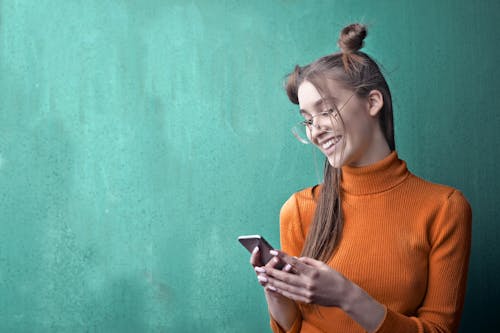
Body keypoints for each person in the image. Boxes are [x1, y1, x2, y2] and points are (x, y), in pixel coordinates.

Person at [249, 23, 472, 333]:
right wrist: (276, 294)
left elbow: (439, 329)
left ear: (372, 102)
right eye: (307, 120)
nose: (315, 130)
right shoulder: (298, 209)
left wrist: (346, 296)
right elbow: (294, 328)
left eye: (326, 111)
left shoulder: (444, 208)